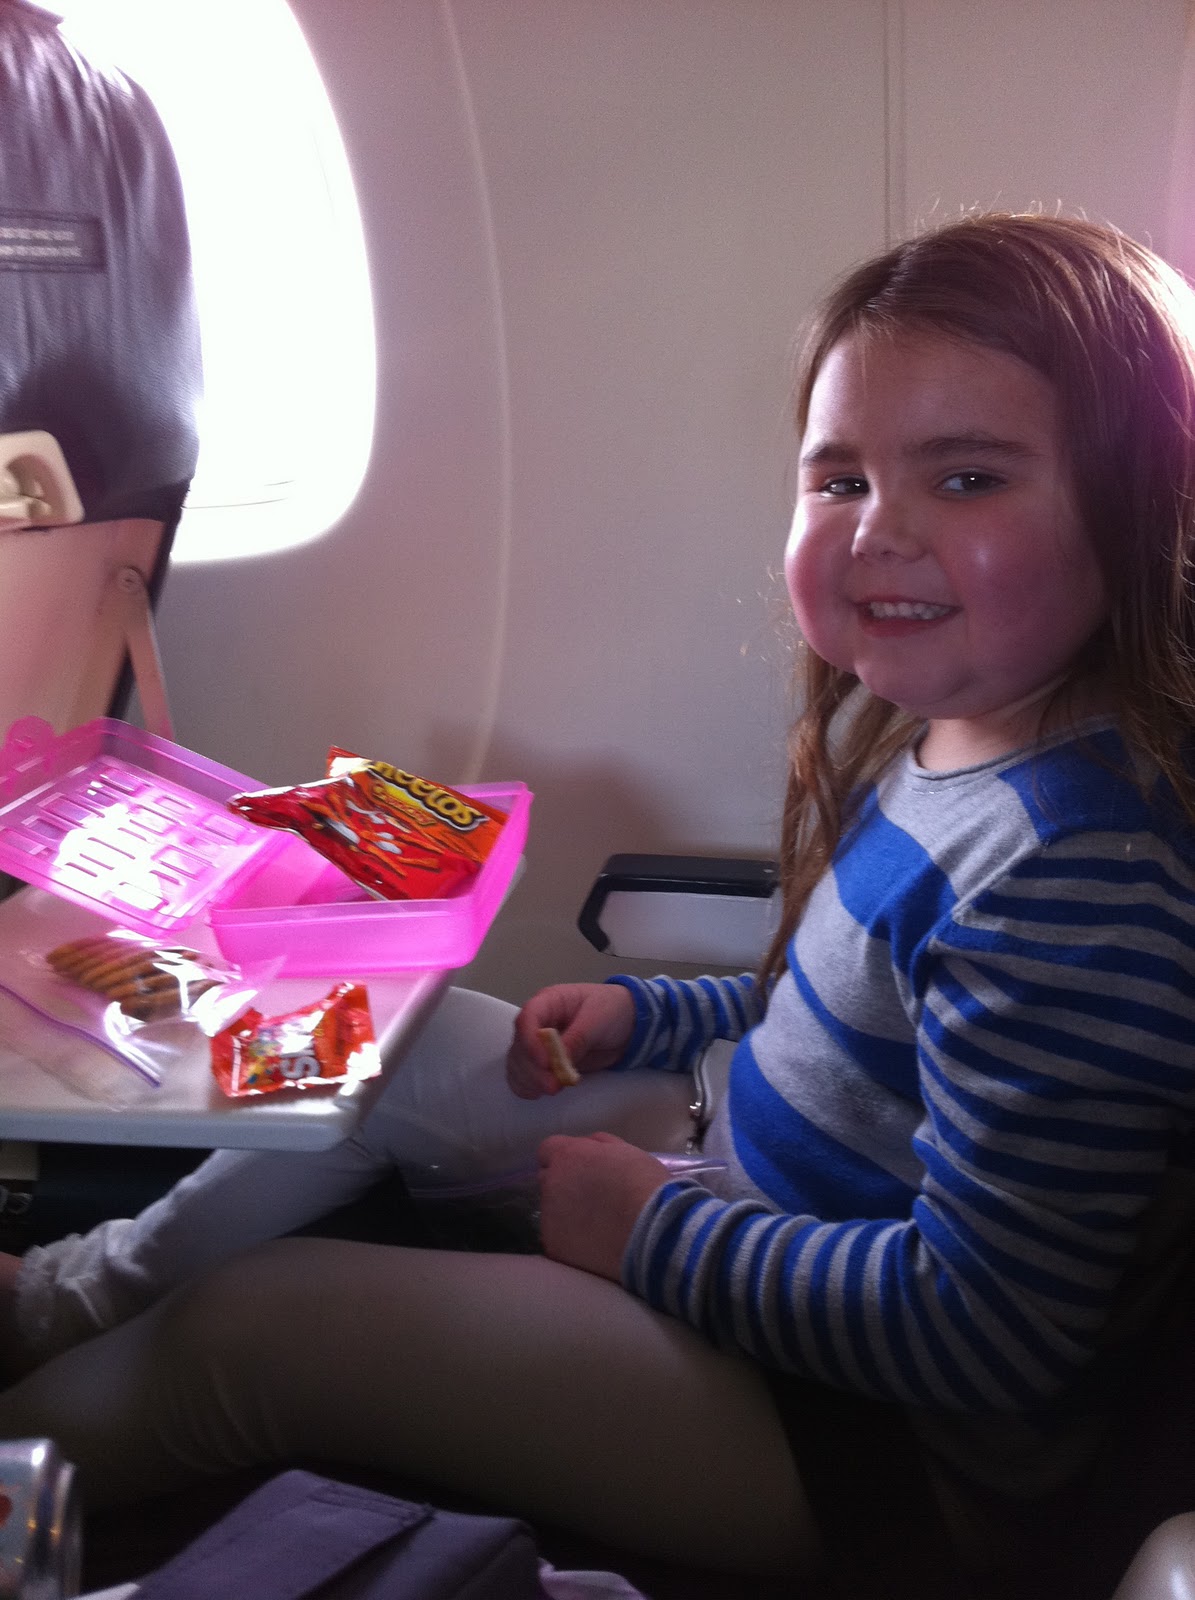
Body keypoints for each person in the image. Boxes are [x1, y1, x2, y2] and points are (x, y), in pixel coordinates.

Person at [1, 210, 1194, 1584]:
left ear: (1138, 505)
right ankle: (67, 1301)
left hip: (864, 1448)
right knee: (380, 1045)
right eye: (840, 479)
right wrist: (658, 1015)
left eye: (969, 477)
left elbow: (989, 1333)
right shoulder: (965, 739)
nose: (879, 532)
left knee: (256, 1335)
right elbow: (849, 1013)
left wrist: (652, 1235)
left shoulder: (1076, 878)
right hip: (745, 1180)